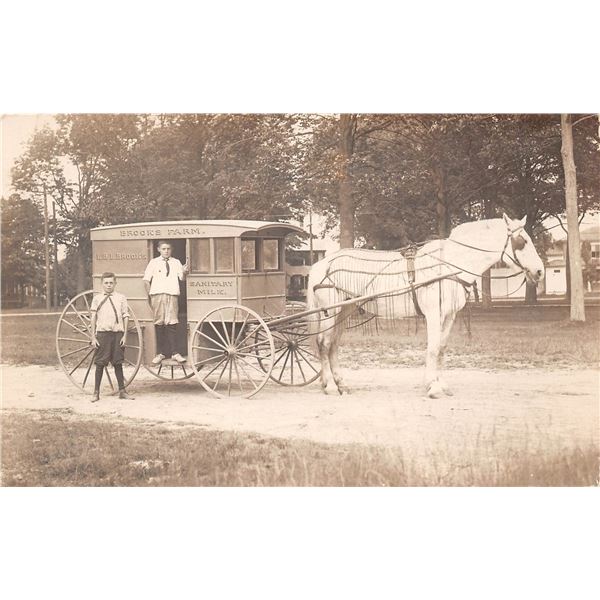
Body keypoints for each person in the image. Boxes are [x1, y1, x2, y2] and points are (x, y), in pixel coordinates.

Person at [90, 272, 135, 402]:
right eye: (106, 283)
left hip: (117, 334)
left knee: (118, 363)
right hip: (103, 334)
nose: (109, 285)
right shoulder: (97, 298)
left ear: (115, 283)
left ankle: (122, 391)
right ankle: (96, 393)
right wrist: (93, 337)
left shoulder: (121, 297)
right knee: (100, 363)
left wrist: (124, 335)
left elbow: (125, 316)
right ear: (102, 284)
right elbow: (93, 318)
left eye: (111, 283)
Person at [143, 240, 188, 365]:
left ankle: (175, 353)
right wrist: (151, 296)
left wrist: (184, 271)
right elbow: (146, 280)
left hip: (172, 294)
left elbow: (182, 278)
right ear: (158, 249)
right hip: (157, 295)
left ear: (171, 249)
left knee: (172, 323)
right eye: (163, 249)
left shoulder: (176, 262)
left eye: (168, 248)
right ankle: (160, 353)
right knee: (159, 323)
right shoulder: (154, 262)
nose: (166, 251)